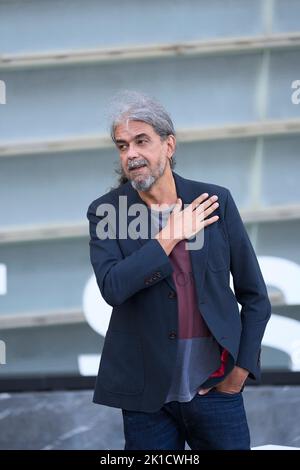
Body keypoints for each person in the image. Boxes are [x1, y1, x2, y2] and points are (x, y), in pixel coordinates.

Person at [87, 91, 271, 450]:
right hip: (146, 399)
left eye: (142, 141)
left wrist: (240, 370)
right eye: (122, 146)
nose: (131, 154)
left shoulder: (215, 201)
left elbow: (255, 296)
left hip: (217, 386)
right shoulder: (106, 212)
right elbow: (113, 287)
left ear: (169, 145)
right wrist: (169, 236)